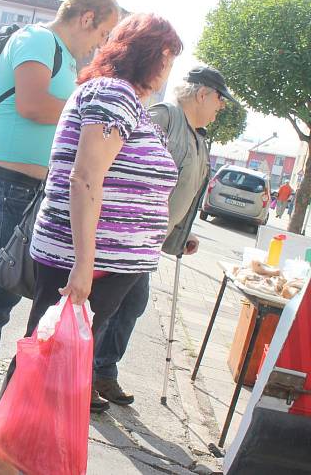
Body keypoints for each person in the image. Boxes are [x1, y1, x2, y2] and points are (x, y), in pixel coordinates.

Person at [0, 13, 182, 475]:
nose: (168, 70)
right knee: (47, 363)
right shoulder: (112, 94)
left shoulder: (121, 98)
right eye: (168, 58)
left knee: (53, 363)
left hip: (108, 262)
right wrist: (85, 266)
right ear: (153, 55)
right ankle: (4, 465)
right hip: (91, 261)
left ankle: (15, 462)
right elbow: (86, 176)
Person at [0, 0, 120, 436]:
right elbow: (32, 103)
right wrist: (88, 112)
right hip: (8, 180)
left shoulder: (59, 52)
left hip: (24, 183)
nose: (99, 44)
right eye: (102, 33)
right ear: (86, 17)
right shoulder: (38, 40)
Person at [92, 65, 237, 412]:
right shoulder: (164, 118)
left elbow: (185, 189)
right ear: (202, 93)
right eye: (219, 99)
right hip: (126, 234)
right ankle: (89, 374)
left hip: (148, 239)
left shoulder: (198, 136)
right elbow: (128, 164)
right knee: (111, 305)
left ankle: (101, 371)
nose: (220, 107)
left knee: (130, 304)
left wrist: (182, 233)